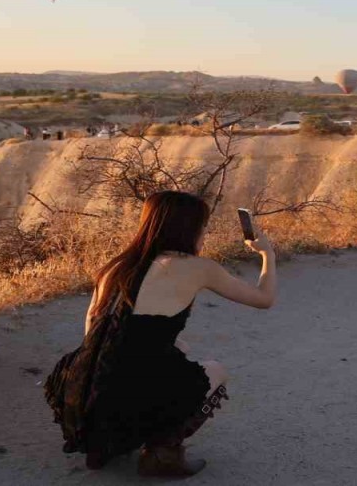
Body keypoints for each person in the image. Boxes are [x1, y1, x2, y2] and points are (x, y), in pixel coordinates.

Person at [45, 191, 279, 476]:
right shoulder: (199, 268)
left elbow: (93, 333)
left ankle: (104, 446)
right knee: (216, 372)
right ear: (189, 229)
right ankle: (162, 452)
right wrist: (267, 254)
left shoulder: (115, 267)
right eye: (203, 226)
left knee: (173, 350)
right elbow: (264, 298)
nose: (204, 234)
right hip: (127, 396)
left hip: (79, 399)